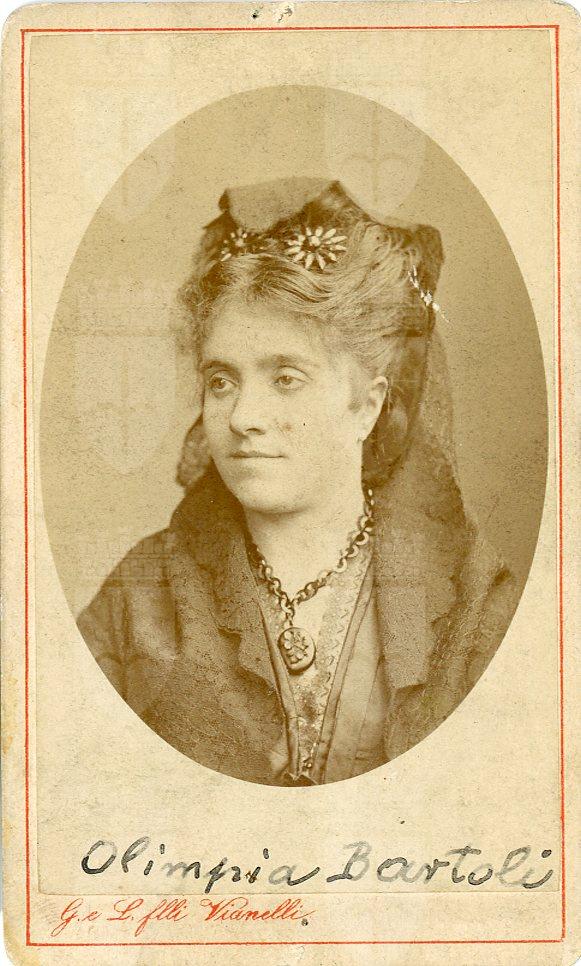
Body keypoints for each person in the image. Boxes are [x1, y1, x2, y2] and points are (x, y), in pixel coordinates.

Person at [77, 177, 518, 786]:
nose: (243, 417)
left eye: (286, 378)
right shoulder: (140, 594)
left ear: (367, 405)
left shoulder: (474, 598)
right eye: (222, 381)